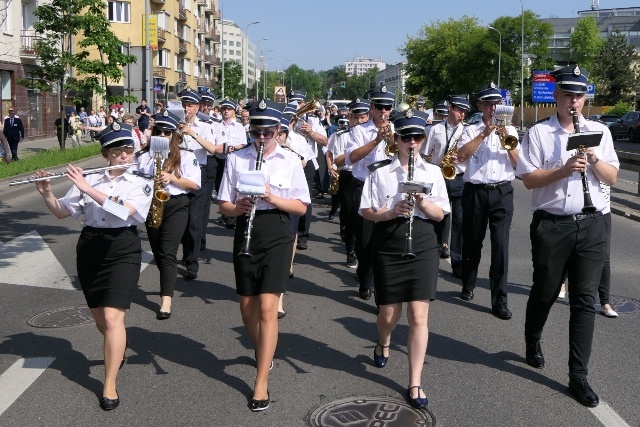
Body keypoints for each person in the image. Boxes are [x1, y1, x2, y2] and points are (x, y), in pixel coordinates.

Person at [516, 64, 619, 407]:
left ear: (584, 98)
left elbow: (612, 177)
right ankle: (532, 338)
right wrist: (563, 170)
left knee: (584, 301)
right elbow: (529, 180)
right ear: (556, 97)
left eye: (579, 96)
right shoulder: (539, 134)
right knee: (544, 291)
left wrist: (592, 159)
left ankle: (579, 376)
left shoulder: (600, 132)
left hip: (593, 223)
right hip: (553, 224)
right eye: (567, 95)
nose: (573, 102)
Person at [34, 122, 153, 411]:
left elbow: (124, 211)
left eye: (128, 150)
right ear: (106, 154)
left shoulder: (141, 181)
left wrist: (86, 187)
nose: (125, 156)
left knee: (113, 319)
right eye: (117, 152)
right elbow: (64, 212)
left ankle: (109, 383)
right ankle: (117, 348)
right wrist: (47, 193)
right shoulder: (93, 179)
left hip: (122, 247)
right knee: (101, 321)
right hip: (90, 247)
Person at [218, 99, 310, 411]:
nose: (260, 139)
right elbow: (224, 204)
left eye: (267, 133)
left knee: (269, 309)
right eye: (255, 132)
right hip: (247, 228)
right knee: (247, 309)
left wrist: (272, 196)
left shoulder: (289, 160)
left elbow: (301, 206)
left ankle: (261, 382)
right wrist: (237, 207)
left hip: (278, 230)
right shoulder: (236, 159)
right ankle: (264, 350)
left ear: (278, 131)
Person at [360, 108, 449, 409]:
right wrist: (391, 211)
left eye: (418, 137)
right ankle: (383, 340)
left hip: (423, 243)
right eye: (406, 137)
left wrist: (423, 201)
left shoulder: (433, 172)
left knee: (419, 316)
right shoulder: (380, 172)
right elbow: (366, 211)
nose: (412, 143)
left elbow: (440, 216)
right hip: (388, 241)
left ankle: (415, 382)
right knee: (388, 314)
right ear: (396, 139)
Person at [456, 83, 518, 320]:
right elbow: (461, 156)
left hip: (502, 192)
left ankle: (499, 301)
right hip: (476, 191)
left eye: (496, 104)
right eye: (489, 104)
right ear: (480, 106)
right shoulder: (471, 130)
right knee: (473, 242)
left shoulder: (510, 130)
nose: (493, 108)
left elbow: (517, 163)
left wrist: (504, 137)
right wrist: (484, 133)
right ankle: (468, 283)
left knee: (501, 247)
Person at [137, 110, 201, 319]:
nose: (163, 135)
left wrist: (172, 179)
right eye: (159, 131)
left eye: (167, 132)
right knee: (158, 252)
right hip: (151, 205)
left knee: (167, 251)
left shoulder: (186, 156)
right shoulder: (143, 156)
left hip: (176, 205)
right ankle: (167, 282)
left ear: (174, 135)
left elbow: (194, 185)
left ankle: (166, 299)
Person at [345, 83, 395, 301]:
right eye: (379, 107)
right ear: (372, 108)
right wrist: (376, 141)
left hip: (387, 189)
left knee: (385, 240)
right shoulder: (359, 130)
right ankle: (365, 280)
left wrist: (392, 139)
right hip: (363, 186)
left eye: (387, 107)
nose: (383, 112)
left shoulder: (397, 129)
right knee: (365, 241)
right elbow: (352, 158)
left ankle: (380, 284)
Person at [421, 95, 470, 277]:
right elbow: (425, 154)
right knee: (436, 216)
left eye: (465, 111)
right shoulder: (434, 129)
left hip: (457, 176)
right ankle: (433, 253)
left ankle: (457, 261)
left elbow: (471, 155)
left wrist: (462, 157)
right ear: (450, 108)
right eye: (459, 110)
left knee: (459, 220)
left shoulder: (466, 131)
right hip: (438, 175)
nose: (462, 114)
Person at [177, 87, 217, 280]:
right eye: (184, 105)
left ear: (197, 107)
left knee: (194, 220)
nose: (187, 108)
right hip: (178, 170)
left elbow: (212, 149)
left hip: (197, 171)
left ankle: (192, 263)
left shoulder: (205, 126)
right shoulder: (175, 123)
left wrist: (192, 133)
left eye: (190, 105)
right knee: (181, 219)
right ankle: (186, 253)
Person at [289, 90, 328, 250]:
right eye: (294, 103)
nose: (297, 106)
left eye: (299, 103)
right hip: (289, 160)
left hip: (308, 161)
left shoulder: (313, 120)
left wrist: (311, 132)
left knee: (305, 198)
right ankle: (289, 231)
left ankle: (303, 235)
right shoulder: (287, 118)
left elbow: (325, 141)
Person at [212, 98, 247, 230]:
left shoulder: (238, 127)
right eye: (224, 109)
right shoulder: (216, 125)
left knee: (232, 186)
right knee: (221, 186)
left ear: (233, 111)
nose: (226, 111)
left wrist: (230, 148)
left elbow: (243, 144)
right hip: (220, 159)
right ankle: (225, 212)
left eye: (229, 109)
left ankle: (231, 217)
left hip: (233, 159)